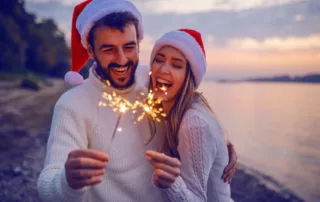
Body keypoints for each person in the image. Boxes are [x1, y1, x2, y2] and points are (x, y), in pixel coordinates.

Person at [37, 0, 237, 201]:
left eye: (129, 47)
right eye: (109, 49)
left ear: (139, 43)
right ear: (90, 50)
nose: (122, 60)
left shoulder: (152, 81)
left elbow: (190, 105)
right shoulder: (72, 105)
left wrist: (220, 146)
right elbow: (47, 186)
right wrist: (68, 181)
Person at [145, 29, 233, 201]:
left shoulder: (193, 123)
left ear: (189, 77)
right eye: (159, 60)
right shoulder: (174, 107)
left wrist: (171, 183)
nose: (163, 69)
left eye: (176, 65)